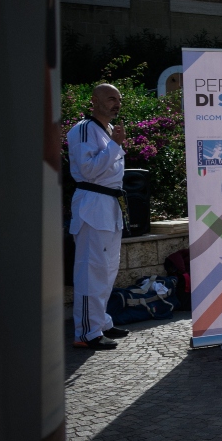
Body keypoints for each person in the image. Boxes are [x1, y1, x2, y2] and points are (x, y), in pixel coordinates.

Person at [68, 83, 132, 349]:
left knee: (107, 270)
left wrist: (114, 144)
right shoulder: (83, 129)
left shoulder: (106, 131)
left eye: (118, 99)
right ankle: (86, 332)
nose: (116, 103)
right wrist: (115, 146)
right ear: (93, 101)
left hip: (109, 205)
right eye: (110, 98)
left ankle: (100, 322)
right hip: (92, 205)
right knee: (90, 271)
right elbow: (89, 169)